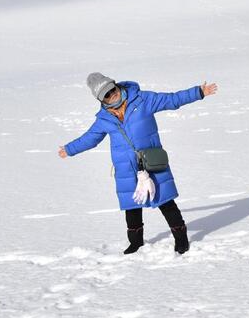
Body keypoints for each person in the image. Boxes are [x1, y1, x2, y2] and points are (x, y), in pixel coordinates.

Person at [58, 73, 218, 255]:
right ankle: (136, 243)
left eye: (112, 89)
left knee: (165, 201)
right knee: (131, 205)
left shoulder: (142, 100)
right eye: (106, 95)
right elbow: (90, 138)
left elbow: (172, 99)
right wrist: (69, 149)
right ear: (101, 99)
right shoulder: (103, 119)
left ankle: (181, 239)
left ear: (116, 85)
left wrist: (198, 92)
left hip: (151, 161)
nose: (113, 95)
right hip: (126, 168)